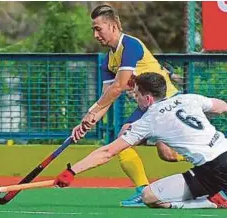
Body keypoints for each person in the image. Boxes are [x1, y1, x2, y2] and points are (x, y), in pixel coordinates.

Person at [55, 72, 227, 209]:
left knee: (149, 196)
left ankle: (209, 202)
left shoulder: (148, 120)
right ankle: (214, 195)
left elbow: (108, 152)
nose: (136, 99)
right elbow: (222, 107)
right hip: (221, 154)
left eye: (137, 95)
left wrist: (72, 171)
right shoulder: (189, 98)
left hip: (212, 170)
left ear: (148, 98)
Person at [71, 4, 185, 207]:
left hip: (166, 101)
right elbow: (107, 96)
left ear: (113, 25)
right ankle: (144, 191)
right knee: (145, 147)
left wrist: (92, 112)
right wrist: (86, 123)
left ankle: (214, 164)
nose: (96, 34)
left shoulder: (130, 46)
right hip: (145, 107)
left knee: (150, 147)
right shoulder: (107, 62)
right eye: (93, 30)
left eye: (99, 28)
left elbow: (119, 86)